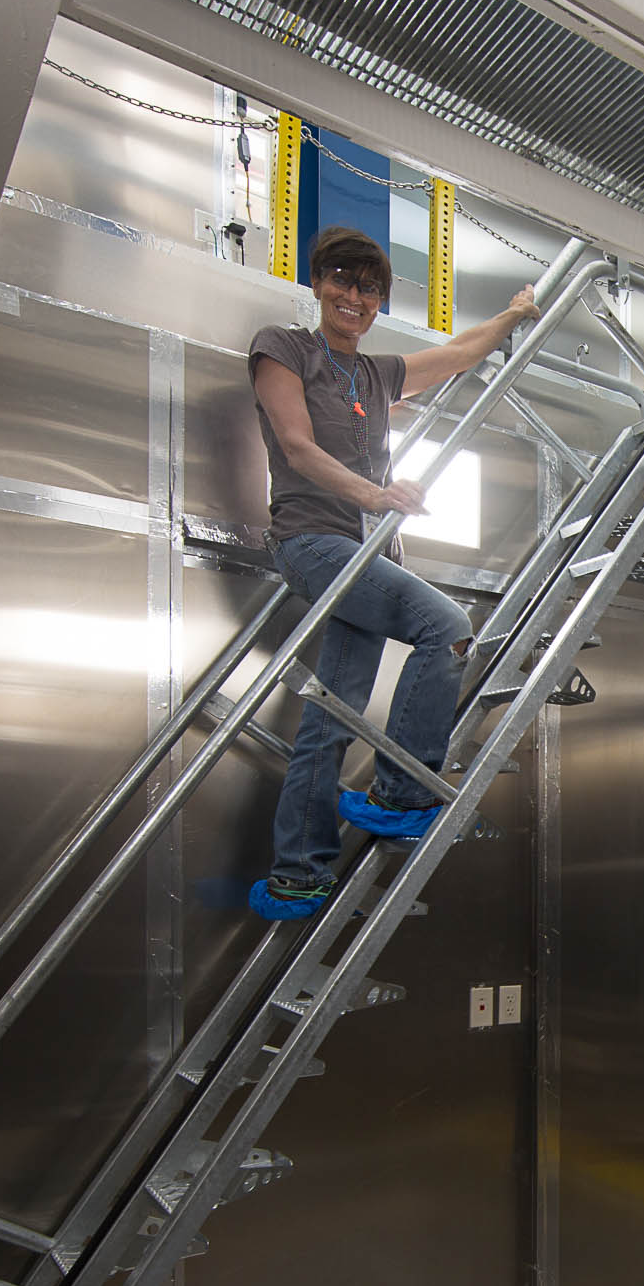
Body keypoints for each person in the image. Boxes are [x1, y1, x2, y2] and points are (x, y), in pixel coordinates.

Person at [246, 225, 537, 919]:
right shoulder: (283, 348)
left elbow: (462, 352)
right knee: (446, 624)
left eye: (369, 288)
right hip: (314, 541)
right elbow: (295, 445)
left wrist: (516, 312)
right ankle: (402, 794)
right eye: (343, 281)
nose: (354, 296)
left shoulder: (375, 374)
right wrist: (375, 494)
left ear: (378, 303)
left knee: (332, 716)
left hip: (366, 555)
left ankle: (299, 872)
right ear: (318, 284)